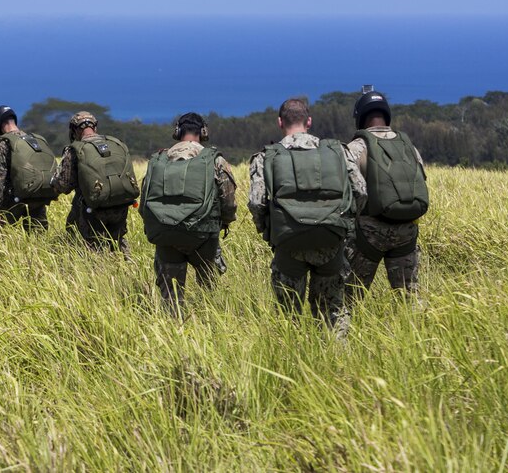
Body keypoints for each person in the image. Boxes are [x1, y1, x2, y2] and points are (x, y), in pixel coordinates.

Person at [247, 97, 366, 330]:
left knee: (288, 316)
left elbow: (256, 202)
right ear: (308, 121)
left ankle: (291, 360)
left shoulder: (266, 157)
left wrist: (268, 231)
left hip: (289, 242)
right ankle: (338, 362)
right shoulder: (338, 151)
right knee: (333, 312)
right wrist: (346, 225)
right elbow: (360, 191)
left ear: (280, 122)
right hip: (331, 240)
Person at [139, 112, 237, 309]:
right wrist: (224, 222)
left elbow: (144, 201)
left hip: (166, 233)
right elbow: (228, 201)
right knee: (208, 291)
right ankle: (207, 323)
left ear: (177, 132)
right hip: (203, 234)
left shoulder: (159, 159)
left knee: (171, 297)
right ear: (203, 132)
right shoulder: (214, 160)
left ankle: (173, 327)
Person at [345, 87, 429, 300]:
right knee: (409, 297)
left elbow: (348, 194)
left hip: (369, 235)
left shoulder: (355, 148)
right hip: (407, 233)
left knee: (349, 298)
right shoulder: (408, 146)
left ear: (360, 117)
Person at [52, 111, 140, 257]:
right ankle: (127, 267)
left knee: (84, 240)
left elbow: (63, 185)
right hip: (121, 205)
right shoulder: (115, 144)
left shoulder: (75, 150)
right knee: (118, 240)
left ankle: (94, 272)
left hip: (91, 209)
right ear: (95, 127)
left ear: (74, 130)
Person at [0, 105, 58, 232]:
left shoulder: (3, 143)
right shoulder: (33, 140)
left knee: (1, 236)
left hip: (13, 199)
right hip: (38, 196)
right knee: (39, 236)